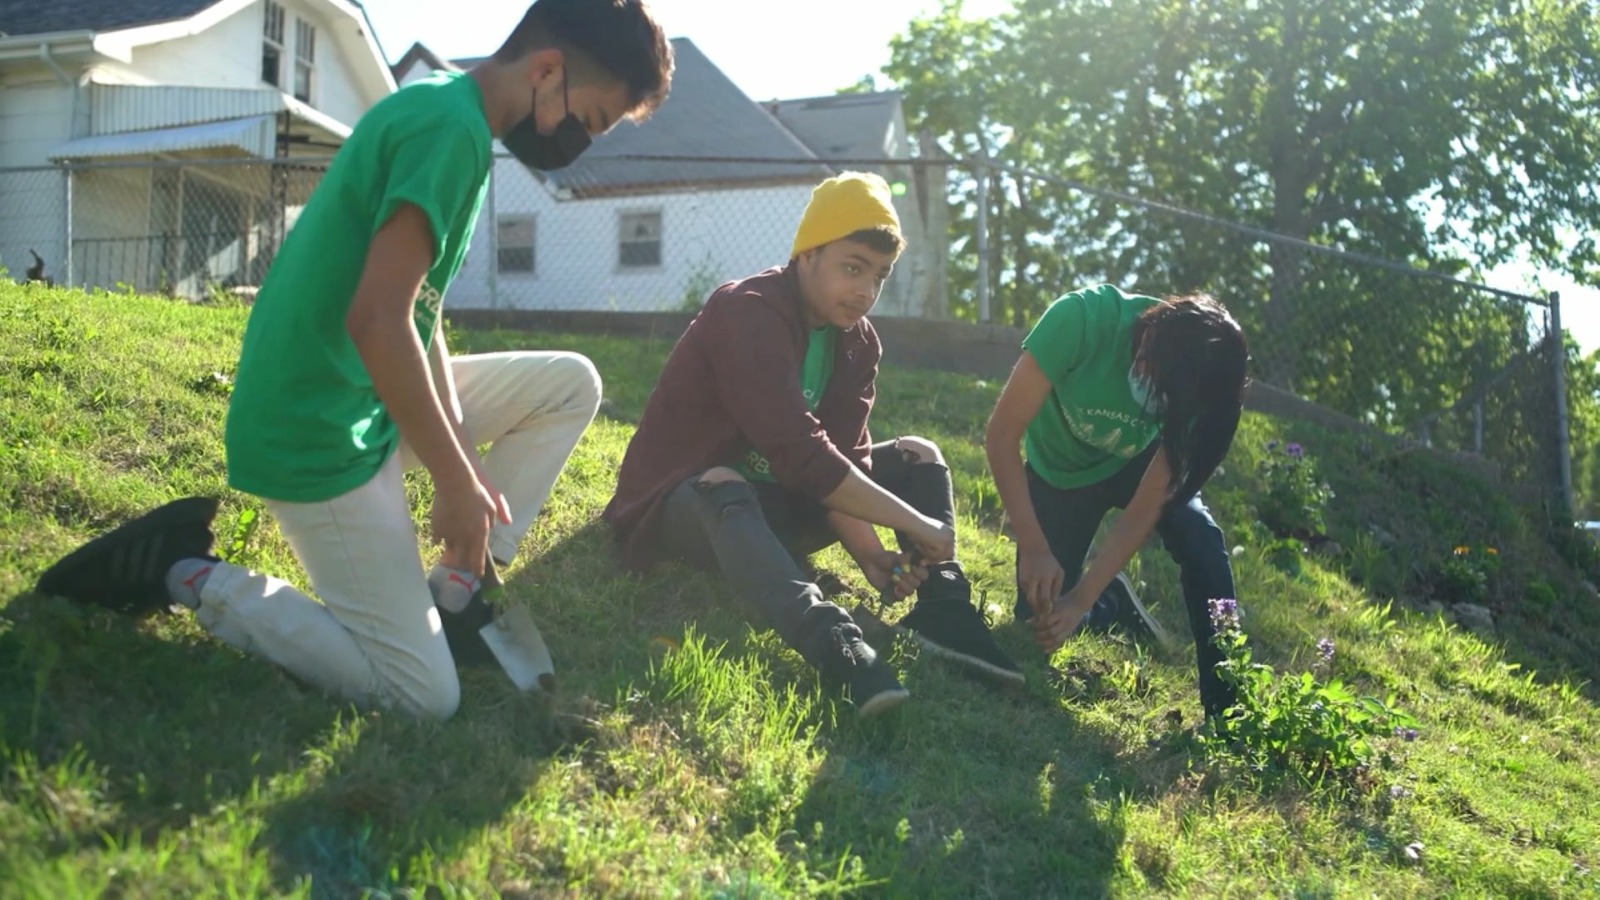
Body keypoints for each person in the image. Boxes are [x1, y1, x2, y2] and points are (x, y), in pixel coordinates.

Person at [31, 0, 675, 721]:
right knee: (423, 695)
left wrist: (459, 456)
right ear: (548, 70)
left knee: (569, 386)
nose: (571, 142)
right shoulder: (448, 133)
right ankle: (188, 574)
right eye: (585, 120)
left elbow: (416, 314)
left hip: (358, 399)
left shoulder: (448, 110)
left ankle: (455, 592)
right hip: (314, 431)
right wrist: (455, 481)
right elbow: (375, 320)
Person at [603, 171, 1023, 719]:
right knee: (724, 485)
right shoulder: (748, 309)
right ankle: (832, 640)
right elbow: (799, 451)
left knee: (919, 454)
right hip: (688, 508)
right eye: (852, 268)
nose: (866, 292)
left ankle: (944, 607)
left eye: (879, 276)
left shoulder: (858, 342)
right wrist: (919, 526)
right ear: (807, 255)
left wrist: (872, 556)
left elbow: (843, 465)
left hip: (779, 507)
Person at [982, 284, 1249, 719]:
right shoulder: (1082, 321)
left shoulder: (1202, 380)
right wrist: (1033, 545)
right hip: (1061, 471)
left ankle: (1229, 708)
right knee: (1038, 624)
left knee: (1200, 537)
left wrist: (1082, 595)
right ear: (1151, 339)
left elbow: (1145, 508)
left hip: (1137, 464)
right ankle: (1112, 604)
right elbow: (1002, 436)